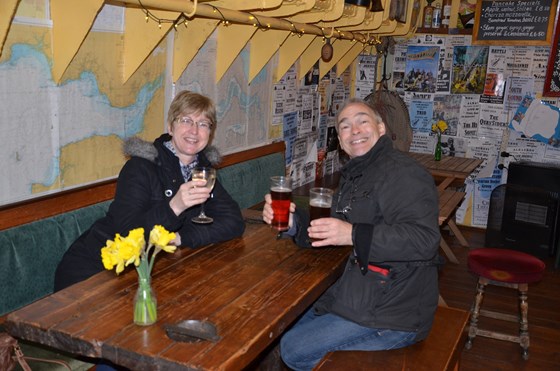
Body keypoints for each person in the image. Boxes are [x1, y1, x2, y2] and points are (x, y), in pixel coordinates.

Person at [262, 98, 441, 370]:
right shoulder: (357, 174)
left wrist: (354, 235)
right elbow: (332, 225)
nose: (354, 131)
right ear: (341, 140)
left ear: (381, 128)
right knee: (282, 324)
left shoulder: (403, 174)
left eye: (362, 121)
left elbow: (424, 241)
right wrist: (293, 223)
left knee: (293, 349)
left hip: (395, 312)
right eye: (345, 127)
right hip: (360, 292)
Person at [54, 90, 245, 291]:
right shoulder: (140, 168)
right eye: (186, 120)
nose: (194, 131)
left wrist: (181, 238)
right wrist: (175, 207)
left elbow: (233, 221)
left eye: (203, 124)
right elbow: (128, 233)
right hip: (96, 272)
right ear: (171, 127)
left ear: (210, 133)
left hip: (149, 272)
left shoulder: (203, 170)